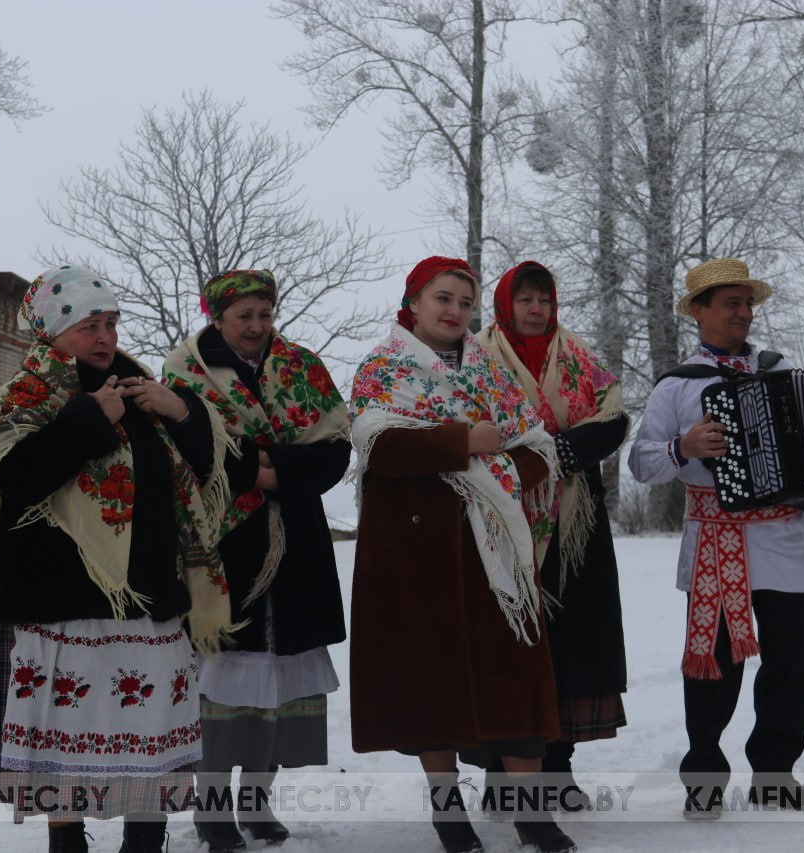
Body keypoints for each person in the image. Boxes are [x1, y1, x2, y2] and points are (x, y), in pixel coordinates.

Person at [0, 265, 233, 853]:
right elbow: (15, 480)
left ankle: (145, 841)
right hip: (59, 600)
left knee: (148, 730)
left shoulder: (139, 389)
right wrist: (89, 419)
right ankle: (68, 841)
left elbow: (205, 474)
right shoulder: (29, 393)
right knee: (64, 737)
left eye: (110, 322)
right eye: (89, 325)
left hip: (147, 592)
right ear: (51, 331)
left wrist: (181, 410)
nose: (105, 336)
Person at [627, 258, 804, 817]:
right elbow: (641, 463)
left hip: (783, 540)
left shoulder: (782, 370)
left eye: (748, 303)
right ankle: (703, 777)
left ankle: (775, 775)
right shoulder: (677, 386)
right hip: (714, 538)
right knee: (713, 666)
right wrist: (684, 448)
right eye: (731, 303)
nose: (744, 313)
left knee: (793, 665)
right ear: (699, 312)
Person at [347, 256, 577, 853]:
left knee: (516, 675)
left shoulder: (490, 372)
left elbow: (535, 447)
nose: (454, 312)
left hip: (493, 549)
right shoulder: (383, 367)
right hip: (414, 549)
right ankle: (448, 814)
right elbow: (380, 449)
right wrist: (463, 443)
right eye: (442, 299)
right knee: (433, 685)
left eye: (464, 303)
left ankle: (532, 815)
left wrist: (493, 463)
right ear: (415, 302)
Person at [162, 269, 351, 852]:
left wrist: (267, 472)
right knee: (225, 678)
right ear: (217, 317)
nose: (256, 326)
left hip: (294, 540)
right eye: (243, 316)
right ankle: (213, 810)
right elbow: (189, 449)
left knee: (278, 676)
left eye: (264, 314)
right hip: (224, 542)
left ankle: (256, 800)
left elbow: (335, 452)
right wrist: (268, 468)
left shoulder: (301, 368)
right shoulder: (186, 373)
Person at [475, 261, 628, 807]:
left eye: (544, 299)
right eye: (526, 300)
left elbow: (614, 418)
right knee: (507, 642)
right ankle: (501, 774)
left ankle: (558, 770)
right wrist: (530, 459)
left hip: (573, 519)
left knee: (569, 641)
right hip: (501, 517)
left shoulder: (578, 353)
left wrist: (560, 453)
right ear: (505, 305)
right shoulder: (479, 357)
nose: (536, 309)